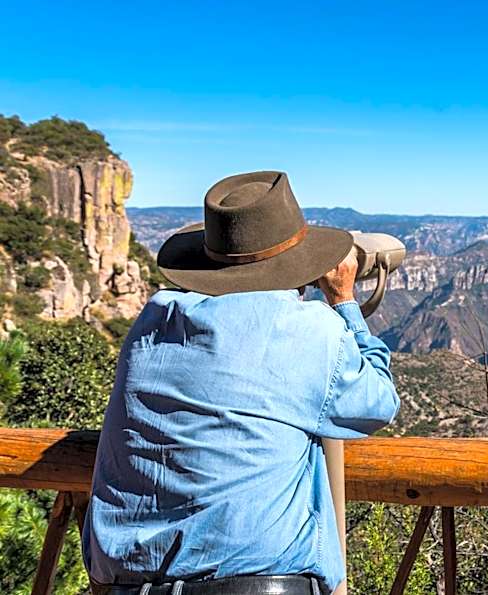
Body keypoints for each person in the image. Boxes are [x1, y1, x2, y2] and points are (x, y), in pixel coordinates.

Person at [82, 171, 400, 595]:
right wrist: (344, 303)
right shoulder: (304, 330)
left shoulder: (153, 321)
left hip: (124, 584)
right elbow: (379, 401)